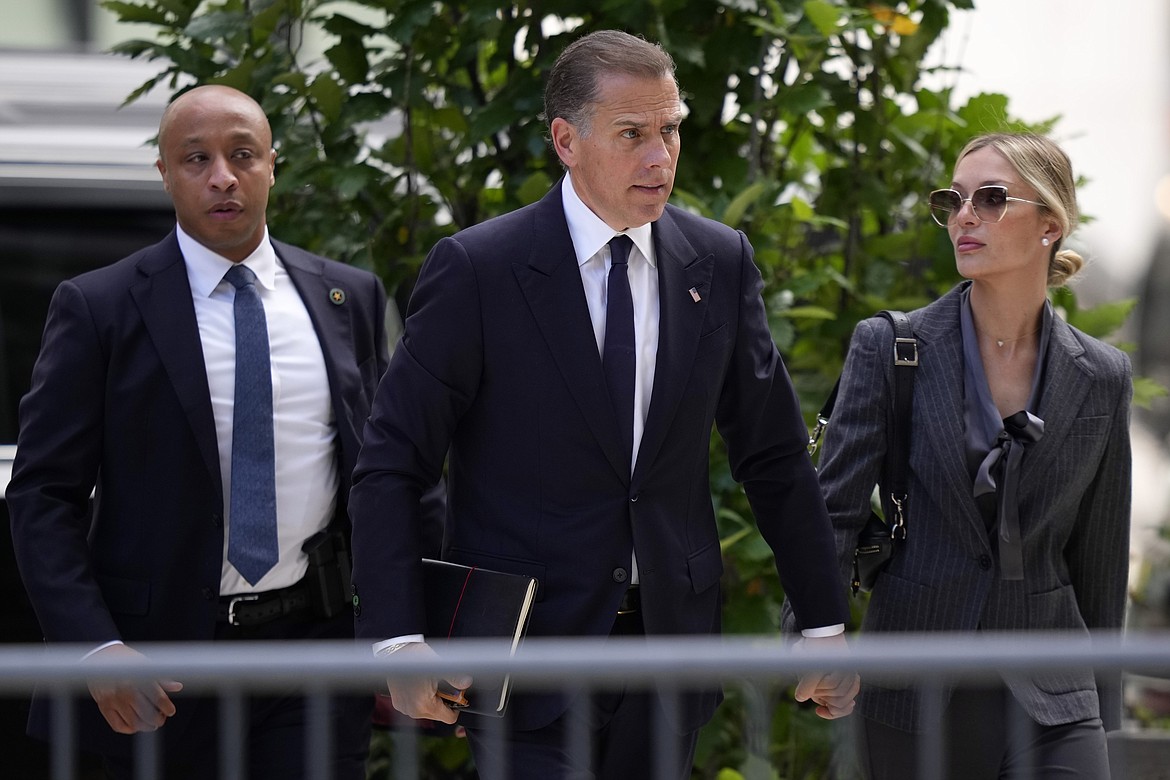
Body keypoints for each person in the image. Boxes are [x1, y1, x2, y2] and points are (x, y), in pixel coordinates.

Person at [348, 29, 858, 780]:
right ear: (567, 140)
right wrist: (398, 639)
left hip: (668, 657)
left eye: (670, 130)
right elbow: (392, 463)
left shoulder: (717, 262)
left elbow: (774, 456)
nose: (660, 158)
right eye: (632, 135)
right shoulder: (479, 271)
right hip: (524, 661)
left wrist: (822, 623)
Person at [7, 84, 389, 779]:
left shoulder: (346, 297)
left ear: (273, 164)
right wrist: (96, 649)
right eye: (196, 159)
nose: (222, 176)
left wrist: (400, 631)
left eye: (242, 154)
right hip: (159, 665)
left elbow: (386, 480)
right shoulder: (100, 308)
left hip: (312, 653)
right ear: (164, 173)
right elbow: (42, 497)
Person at [823, 133, 1132, 779]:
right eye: (954, 199)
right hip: (913, 686)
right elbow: (833, 512)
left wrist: (1104, 708)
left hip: (1053, 692)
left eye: (991, 199)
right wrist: (816, 638)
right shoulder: (893, 347)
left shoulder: (1102, 375)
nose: (965, 215)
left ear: (1049, 223)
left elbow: (1100, 554)